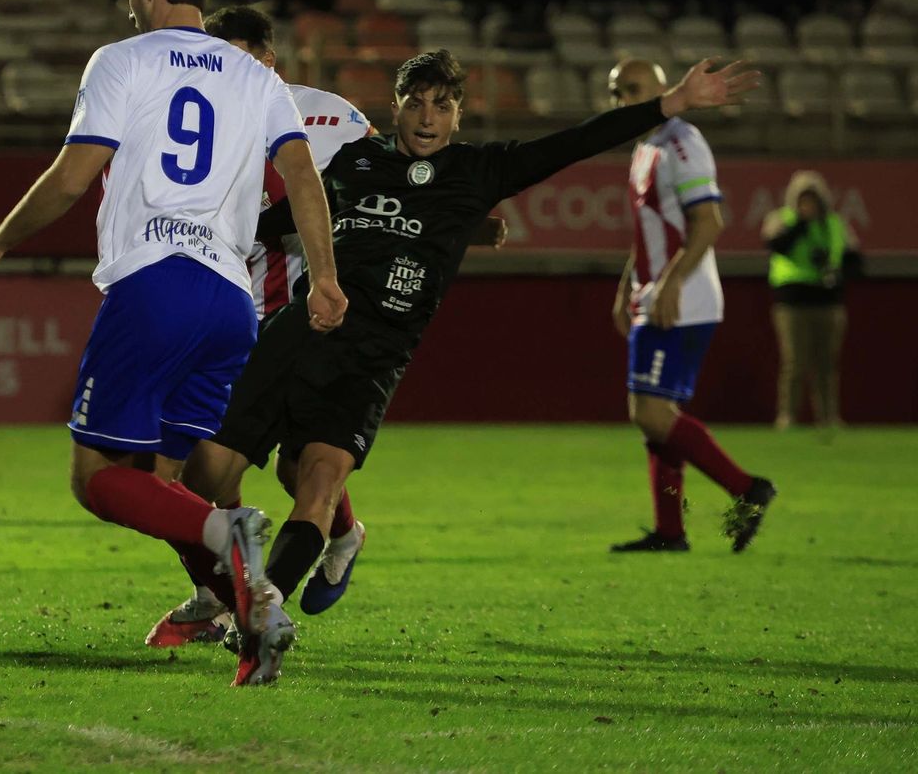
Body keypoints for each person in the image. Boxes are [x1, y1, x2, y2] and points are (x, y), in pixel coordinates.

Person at [178, 49, 762, 684]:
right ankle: (232, 586)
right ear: (395, 108)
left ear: (459, 115)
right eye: (416, 103)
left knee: (320, 482)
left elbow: (576, 142)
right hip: (300, 332)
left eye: (443, 105)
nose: (428, 117)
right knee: (204, 474)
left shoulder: (480, 170)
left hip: (372, 357)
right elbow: (287, 215)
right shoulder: (354, 162)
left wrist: (672, 103)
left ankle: (262, 616)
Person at [0, 0, 348, 678]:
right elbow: (302, 177)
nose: (128, 2)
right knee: (166, 485)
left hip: (155, 284)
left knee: (97, 478)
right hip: (231, 303)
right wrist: (324, 276)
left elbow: (73, 174)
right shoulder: (257, 77)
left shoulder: (122, 60)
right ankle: (254, 614)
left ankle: (230, 537)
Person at [148, 6, 510, 649]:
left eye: (234, 58)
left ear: (267, 62)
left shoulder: (329, 119)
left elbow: (397, 187)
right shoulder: (187, 117)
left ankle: (266, 578)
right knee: (204, 471)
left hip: (305, 313)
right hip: (221, 312)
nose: (218, 72)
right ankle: (235, 588)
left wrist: (469, 223)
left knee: (298, 470)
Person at [606, 58, 777, 555]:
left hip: (681, 300)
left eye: (633, 88)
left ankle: (747, 488)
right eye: (616, 92)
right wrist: (626, 286)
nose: (623, 100)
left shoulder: (681, 142)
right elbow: (651, 228)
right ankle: (669, 531)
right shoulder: (644, 146)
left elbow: (709, 222)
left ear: (663, 89)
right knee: (656, 417)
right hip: (655, 294)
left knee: (652, 413)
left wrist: (671, 285)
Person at [764, 171, 861, 431]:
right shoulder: (782, 220)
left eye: (813, 200)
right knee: (795, 362)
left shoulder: (835, 224)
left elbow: (855, 260)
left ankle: (829, 417)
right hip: (792, 302)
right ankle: (787, 416)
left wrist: (837, 274)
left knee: (827, 363)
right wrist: (801, 224)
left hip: (828, 301)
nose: (808, 205)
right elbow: (776, 245)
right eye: (803, 200)